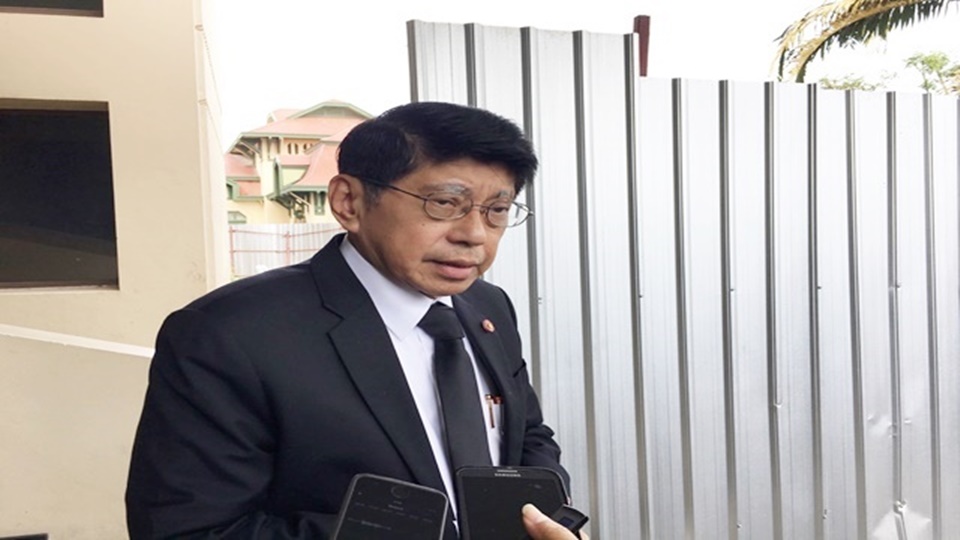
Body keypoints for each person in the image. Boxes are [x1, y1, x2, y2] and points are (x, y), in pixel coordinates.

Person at [125, 101, 569, 539]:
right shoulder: (227, 335)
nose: (474, 234)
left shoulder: (488, 307)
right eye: (444, 203)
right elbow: (188, 531)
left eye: (497, 210)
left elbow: (525, 435)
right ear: (349, 202)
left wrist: (545, 523)